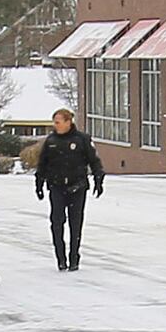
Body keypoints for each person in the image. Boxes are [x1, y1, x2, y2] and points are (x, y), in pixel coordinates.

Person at [34, 105, 108, 271]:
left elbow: (94, 161)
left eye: (59, 122)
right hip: (57, 186)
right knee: (57, 222)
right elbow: (42, 164)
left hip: (77, 187)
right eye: (55, 122)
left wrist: (98, 179)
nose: (56, 125)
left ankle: (74, 256)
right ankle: (60, 258)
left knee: (76, 223)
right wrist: (39, 184)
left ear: (68, 122)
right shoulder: (51, 141)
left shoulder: (81, 139)